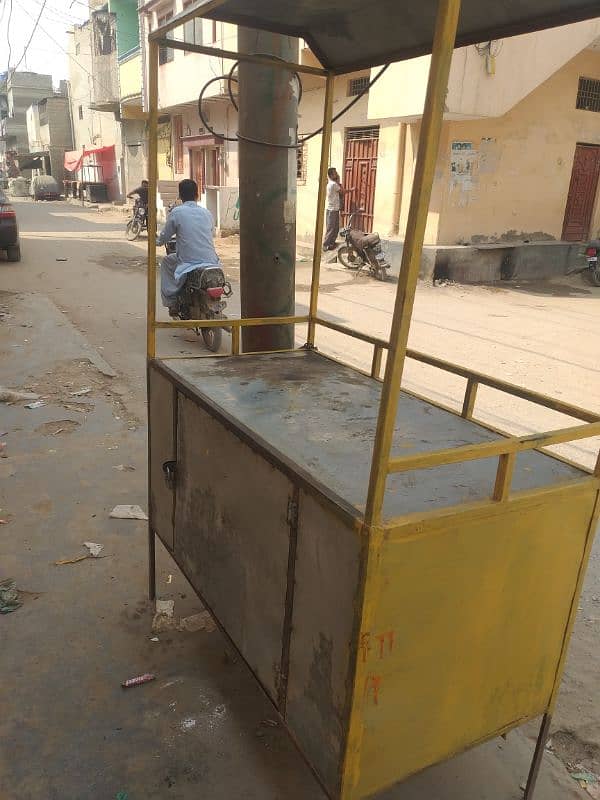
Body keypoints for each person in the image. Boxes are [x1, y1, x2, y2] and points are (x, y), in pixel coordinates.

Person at [157, 178, 221, 315]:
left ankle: (171, 301)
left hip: (189, 262)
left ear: (180, 196)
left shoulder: (177, 212)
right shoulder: (207, 213)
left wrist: (156, 241)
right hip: (211, 260)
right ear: (197, 195)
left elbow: (164, 237)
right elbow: (210, 233)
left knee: (167, 261)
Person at [322, 167, 345, 251]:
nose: (337, 174)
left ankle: (331, 243)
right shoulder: (333, 184)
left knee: (335, 228)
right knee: (331, 228)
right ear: (331, 175)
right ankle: (325, 244)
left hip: (334, 209)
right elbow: (343, 191)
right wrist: (338, 180)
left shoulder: (331, 183)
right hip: (332, 209)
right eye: (335, 173)